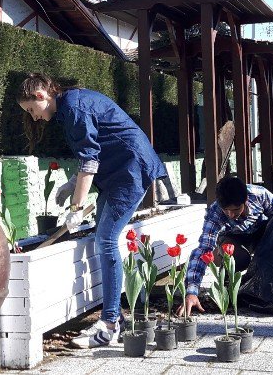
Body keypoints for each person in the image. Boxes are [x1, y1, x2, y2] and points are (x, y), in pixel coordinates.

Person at [17, 73, 168, 348]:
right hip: (119, 171)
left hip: (129, 171)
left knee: (106, 240)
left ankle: (109, 324)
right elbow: (95, 151)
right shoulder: (71, 104)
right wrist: (73, 183)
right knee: (103, 238)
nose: (34, 117)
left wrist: (76, 207)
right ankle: (114, 318)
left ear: (41, 96)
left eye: (30, 109)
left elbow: (89, 160)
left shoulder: (74, 108)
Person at [177, 177, 273, 316]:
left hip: (260, 234)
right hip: (233, 239)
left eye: (236, 209)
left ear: (246, 201)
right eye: (227, 210)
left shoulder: (258, 194)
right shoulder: (215, 213)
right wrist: (191, 291)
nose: (231, 215)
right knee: (239, 258)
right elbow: (203, 250)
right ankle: (227, 288)